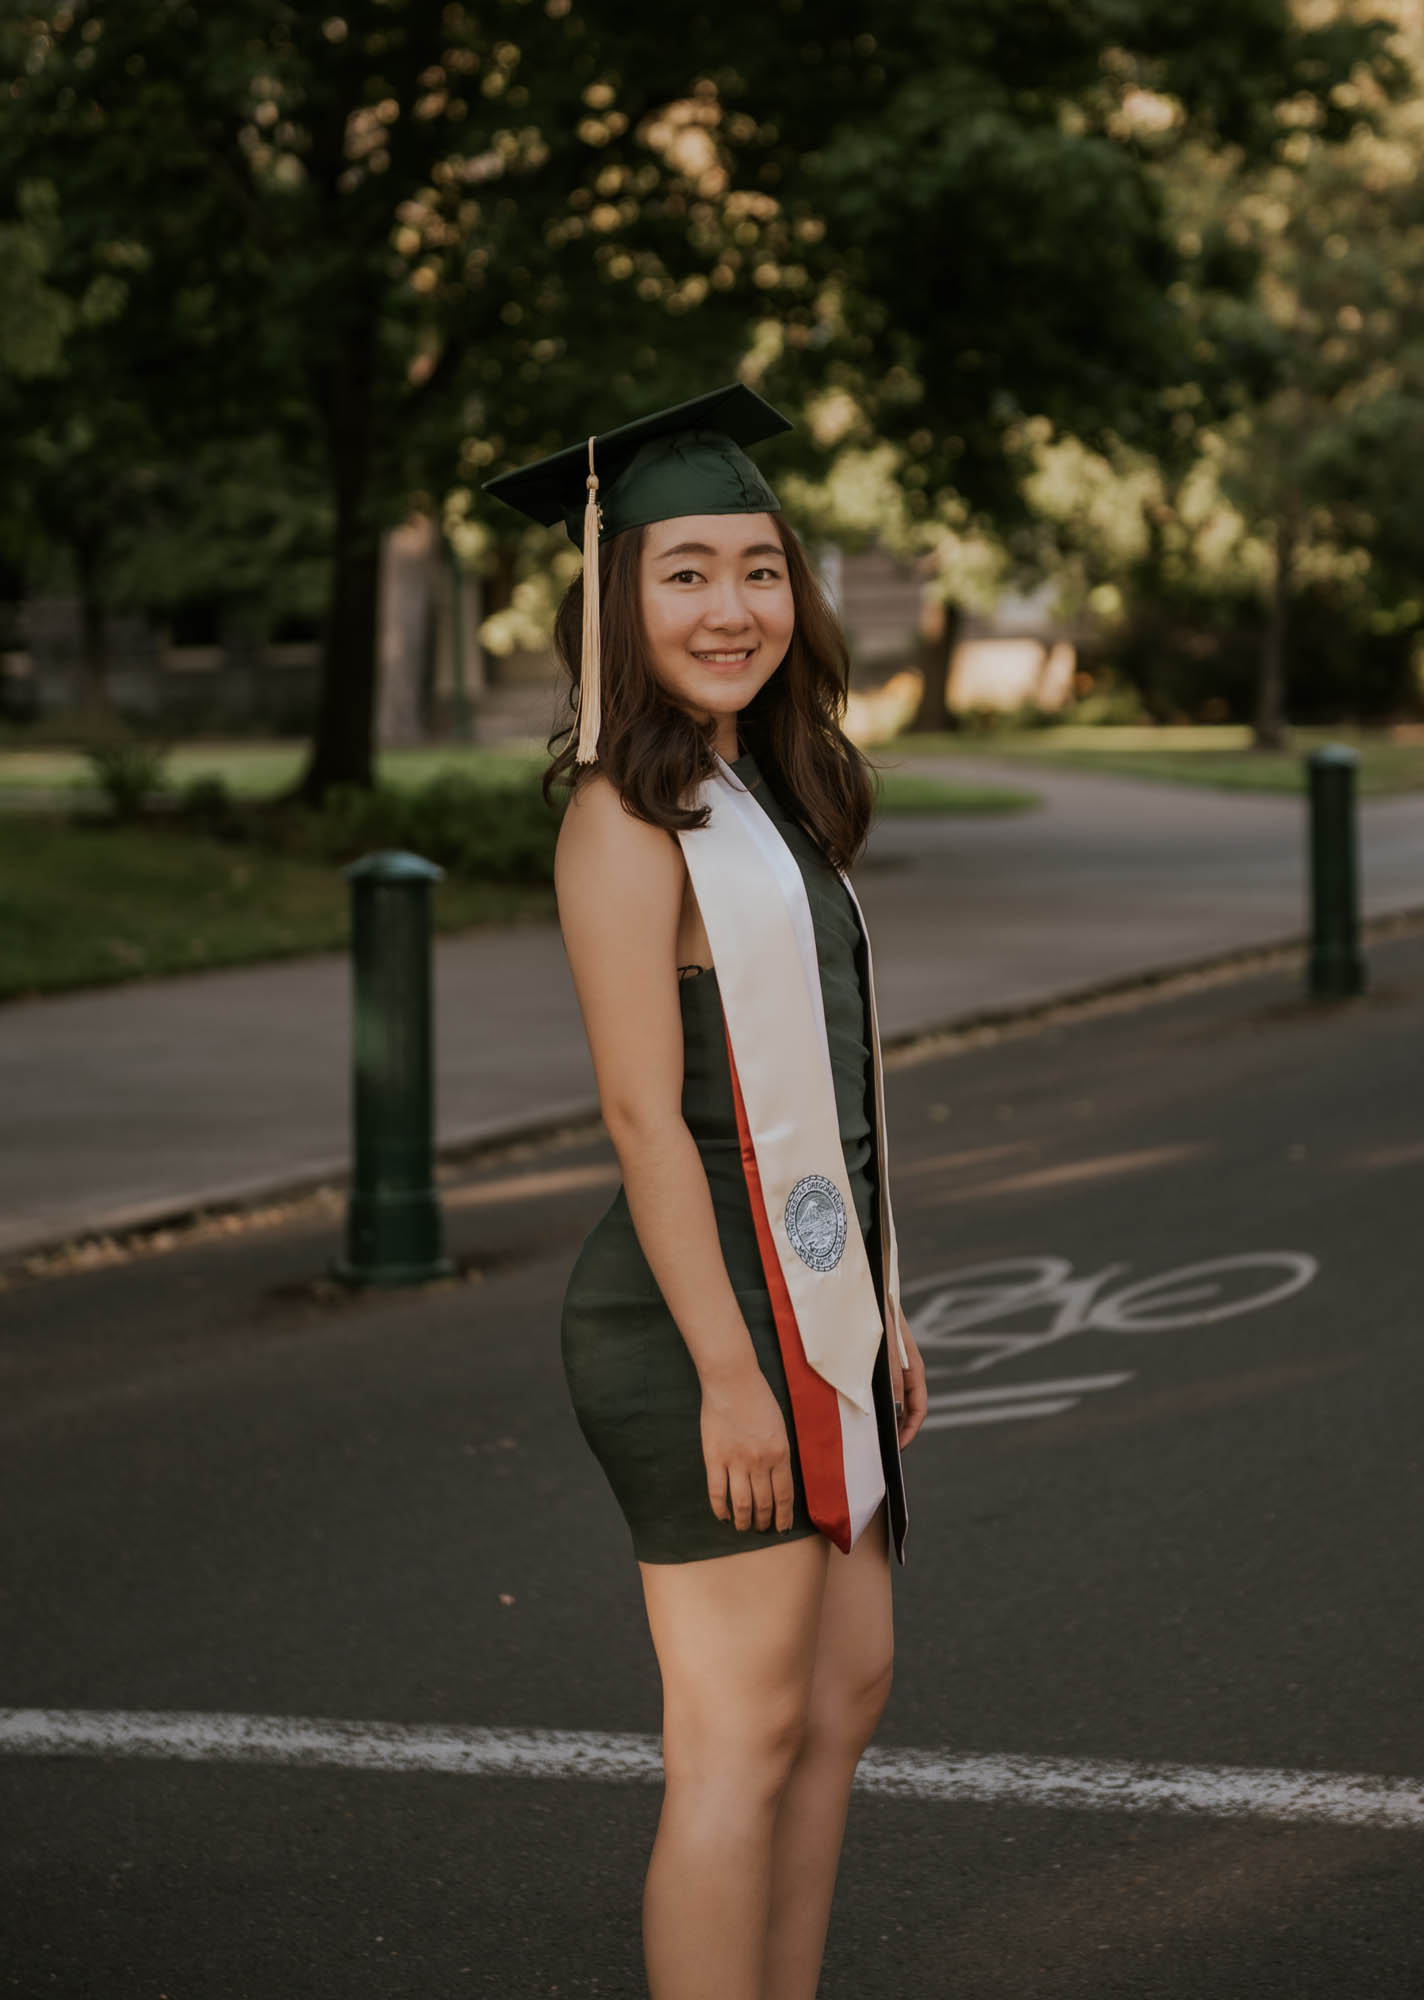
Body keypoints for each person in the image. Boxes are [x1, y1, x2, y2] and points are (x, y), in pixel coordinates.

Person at [484, 383, 928, 2000]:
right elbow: (640, 1121)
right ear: (618, 603)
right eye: (684, 572)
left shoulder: (773, 795)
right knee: (738, 1739)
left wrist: (884, 1304)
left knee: (842, 1703)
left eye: (757, 568)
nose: (731, 606)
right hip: (700, 1323)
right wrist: (739, 1379)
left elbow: (838, 1070)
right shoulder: (625, 819)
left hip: (812, 1300)